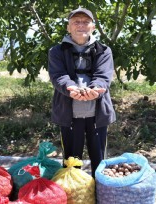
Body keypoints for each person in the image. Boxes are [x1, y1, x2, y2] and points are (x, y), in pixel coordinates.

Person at [48, 7, 116, 177]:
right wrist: (70, 88)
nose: (81, 25)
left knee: (99, 159)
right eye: (76, 22)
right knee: (71, 160)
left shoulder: (104, 50)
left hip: (97, 115)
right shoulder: (56, 52)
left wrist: (95, 89)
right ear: (68, 27)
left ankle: (99, 194)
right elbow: (58, 76)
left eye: (86, 22)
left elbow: (103, 75)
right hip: (69, 114)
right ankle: (73, 194)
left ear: (93, 27)